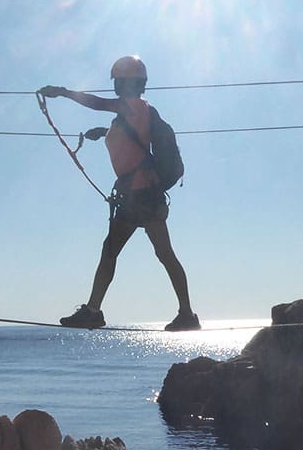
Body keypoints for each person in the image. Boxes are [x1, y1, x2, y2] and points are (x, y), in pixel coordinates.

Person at [39, 55, 200, 332]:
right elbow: (129, 135)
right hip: (144, 195)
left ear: (122, 83)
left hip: (139, 196)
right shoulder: (134, 112)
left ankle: (93, 311)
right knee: (162, 254)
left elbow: (97, 103)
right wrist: (103, 132)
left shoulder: (131, 106)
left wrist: (63, 93)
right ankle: (186, 314)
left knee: (112, 251)